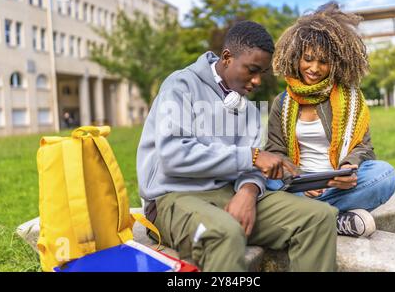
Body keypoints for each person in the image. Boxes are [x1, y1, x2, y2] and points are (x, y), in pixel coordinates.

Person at [137, 20, 338, 272]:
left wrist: (249, 190)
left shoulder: (250, 110)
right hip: (172, 197)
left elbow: (252, 168)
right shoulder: (180, 86)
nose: (256, 81)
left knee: (319, 217)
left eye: (261, 74)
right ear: (227, 57)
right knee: (225, 233)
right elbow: (173, 156)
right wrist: (252, 156)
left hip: (228, 192)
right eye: (251, 70)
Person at [266, 2, 395, 238]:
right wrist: (298, 179)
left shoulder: (351, 98)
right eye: (308, 59)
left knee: (385, 175)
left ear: (335, 63)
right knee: (265, 181)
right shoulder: (282, 102)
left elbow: (364, 147)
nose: (314, 68)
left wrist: (348, 168)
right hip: (298, 183)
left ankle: (308, 217)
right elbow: (275, 152)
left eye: (323, 62)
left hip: (336, 181)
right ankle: (334, 219)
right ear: (296, 57)